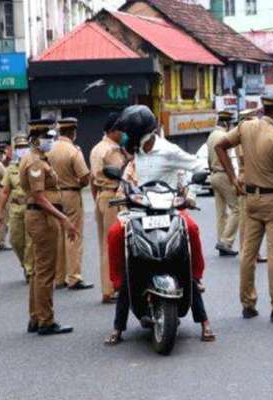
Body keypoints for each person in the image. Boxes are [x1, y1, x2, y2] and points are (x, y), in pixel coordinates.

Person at [104, 105, 215, 344]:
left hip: (169, 209)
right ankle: (118, 286)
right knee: (115, 234)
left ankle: (196, 280)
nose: (123, 136)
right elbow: (128, 179)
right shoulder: (134, 152)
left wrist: (190, 194)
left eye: (126, 131)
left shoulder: (168, 151)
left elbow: (198, 166)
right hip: (140, 210)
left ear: (137, 132)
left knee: (192, 230)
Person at [215, 94, 273, 322]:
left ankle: (248, 304)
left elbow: (220, 146)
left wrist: (233, 178)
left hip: (250, 200)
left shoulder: (246, 127)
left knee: (247, 255)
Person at [20, 119, 78, 335]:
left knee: (38, 270)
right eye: (47, 137)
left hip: (38, 215)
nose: (51, 141)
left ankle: (36, 317)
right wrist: (63, 218)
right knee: (46, 272)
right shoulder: (35, 162)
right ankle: (46, 320)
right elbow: (39, 197)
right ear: (35, 140)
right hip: (43, 217)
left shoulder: (36, 158)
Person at [48, 117, 93, 290]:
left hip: (54, 196)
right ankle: (74, 277)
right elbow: (84, 178)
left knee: (59, 235)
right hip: (71, 194)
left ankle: (59, 277)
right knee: (73, 235)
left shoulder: (50, 149)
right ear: (73, 132)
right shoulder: (73, 151)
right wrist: (77, 183)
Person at [90, 112, 128, 304]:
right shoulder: (112, 151)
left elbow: (91, 180)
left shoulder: (97, 148)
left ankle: (108, 286)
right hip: (113, 196)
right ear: (113, 131)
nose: (123, 133)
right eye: (121, 130)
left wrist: (96, 199)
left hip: (101, 197)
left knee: (104, 243)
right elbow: (122, 175)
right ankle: (112, 287)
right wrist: (128, 159)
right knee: (114, 244)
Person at [0, 135, 33, 282]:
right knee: (15, 240)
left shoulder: (34, 164)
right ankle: (25, 264)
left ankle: (30, 270)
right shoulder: (11, 168)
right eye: (19, 148)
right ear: (14, 150)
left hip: (31, 207)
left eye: (24, 147)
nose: (22, 150)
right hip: (16, 207)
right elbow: (5, 192)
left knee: (31, 241)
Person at [207, 110, 240, 256]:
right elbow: (226, 159)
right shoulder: (223, 136)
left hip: (214, 174)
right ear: (226, 123)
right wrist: (233, 177)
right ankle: (226, 242)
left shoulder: (212, 135)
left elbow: (209, 158)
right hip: (223, 174)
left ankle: (222, 240)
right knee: (237, 208)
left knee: (221, 212)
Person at [236, 108, 267, 264]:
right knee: (246, 219)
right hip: (247, 179)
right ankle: (246, 252)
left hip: (256, 180)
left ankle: (255, 252)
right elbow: (244, 158)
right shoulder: (243, 136)